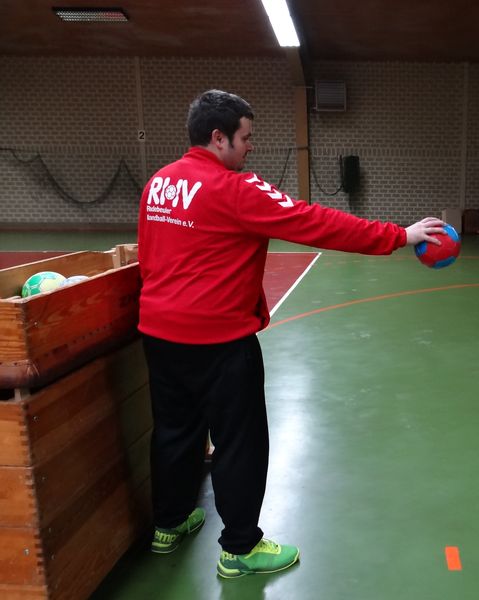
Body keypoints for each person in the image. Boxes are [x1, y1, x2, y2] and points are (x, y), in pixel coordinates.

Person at [137, 89, 444, 579]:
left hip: (159, 334)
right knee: (239, 442)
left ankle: (169, 524)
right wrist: (399, 235)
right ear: (219, 138)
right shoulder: (235, 188)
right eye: (246, 137)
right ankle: (240, 549)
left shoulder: (159, 184)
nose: (251, 146)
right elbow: (314, 221)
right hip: (219, 341)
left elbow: (150, 256)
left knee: (175, 430)